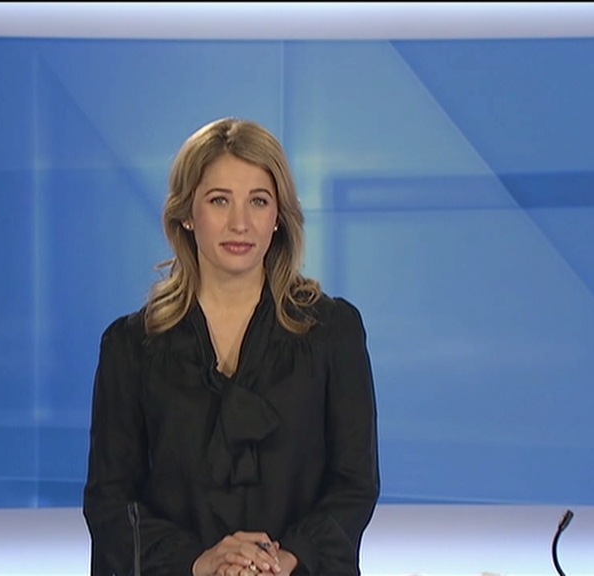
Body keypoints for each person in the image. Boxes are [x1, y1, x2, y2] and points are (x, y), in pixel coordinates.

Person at [83, 118, 379, 576]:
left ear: (278, 216)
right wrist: (200, 562)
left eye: (258, 201)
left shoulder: (333, 333)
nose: (240, 223)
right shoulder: (131, 347)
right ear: (187, 212)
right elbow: (111, 502)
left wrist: (280, 560)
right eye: (219, 200)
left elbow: (354, 484)